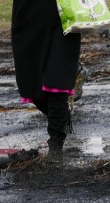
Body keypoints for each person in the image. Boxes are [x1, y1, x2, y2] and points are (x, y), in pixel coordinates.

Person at [11, 0, 81, 161]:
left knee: (57, 81)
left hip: (64, 10)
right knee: (31, 84)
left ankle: (56, 143)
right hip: (28, 15)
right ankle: (61, 115)